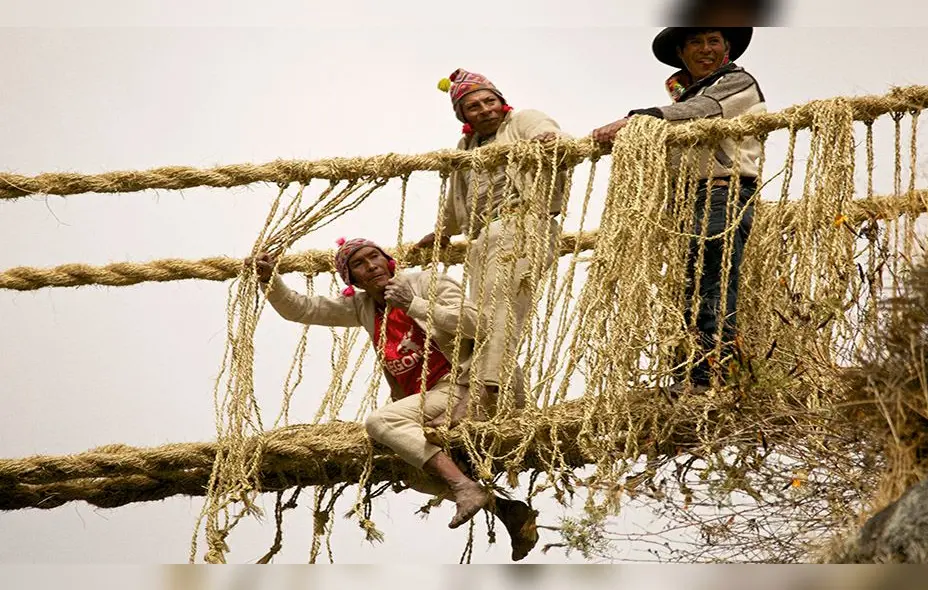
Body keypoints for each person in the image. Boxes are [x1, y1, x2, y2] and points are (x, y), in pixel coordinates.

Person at [248, 238, 538, 561]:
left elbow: (478, 324)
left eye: (374, 257)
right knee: (410, 470)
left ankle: (464, 486)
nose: (370, 265)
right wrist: (269, 279)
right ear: (353, 280)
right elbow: (302, 308)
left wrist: (413, 304)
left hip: (465, 388)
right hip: (430, 401)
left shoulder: (427, 283)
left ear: (388, 261)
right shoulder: (362, 307)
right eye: (359, 264)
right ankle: (505, 509)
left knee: (381, 421)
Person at [591, 28, 766, 389]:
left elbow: (700, 112)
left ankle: (710, 374)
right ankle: (688, 373)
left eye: (713, 41)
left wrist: (637, 120)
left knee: (712, 281)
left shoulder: (735, 82)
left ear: (727, 48)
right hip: (691, 201)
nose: (705, 49)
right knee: (690, 285)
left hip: (722, 191)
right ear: (681, 53)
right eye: (695, 43)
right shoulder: (688, 94)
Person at [415, 68, 569, 405]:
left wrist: (549, 140)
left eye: (490, 101)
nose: (485, 110)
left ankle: (487, 389)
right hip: (484, 236)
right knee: (481, 317)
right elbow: (458, 197)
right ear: (463, 116)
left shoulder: (523, 120)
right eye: (474, 106)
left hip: (524, 223)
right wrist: (442, 232)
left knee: (503, 309)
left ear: (502, 101)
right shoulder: (466, 146)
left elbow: (551, 134)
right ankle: (513, 401)